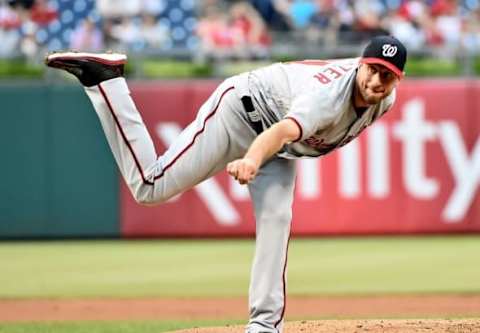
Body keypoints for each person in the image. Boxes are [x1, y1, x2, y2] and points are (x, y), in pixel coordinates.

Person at [45, 35, 407, 333]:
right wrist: (251, 159)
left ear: (397, 80)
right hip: (241, 112)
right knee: (149, 186)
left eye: (386, 76)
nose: (377, 81)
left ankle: (264, 324)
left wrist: (260, 156)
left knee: (277, 219)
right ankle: (105, 80)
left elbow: (284, 136)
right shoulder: (326, 100)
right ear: (361, 64)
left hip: (277, 144)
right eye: (373, 70)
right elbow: (283, 130)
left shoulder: (385, 99)